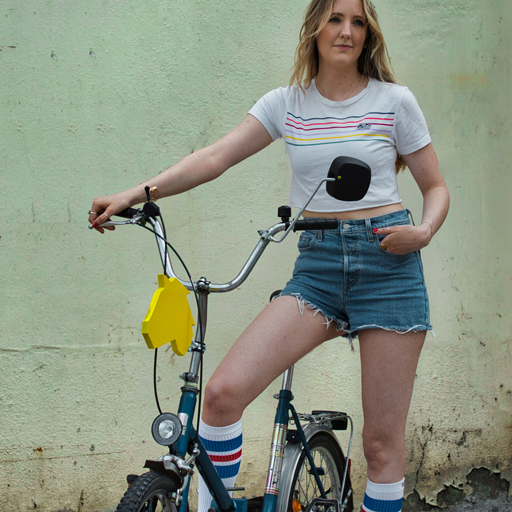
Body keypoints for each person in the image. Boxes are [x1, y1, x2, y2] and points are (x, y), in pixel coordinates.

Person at [88, 0, 449, 510]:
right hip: (318, 266)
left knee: (381, 445)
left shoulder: (394, 101)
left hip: (388, 262)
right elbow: (214, 157)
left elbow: (436, 187)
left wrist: (424, 231)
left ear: (368, 34)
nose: (346, 31)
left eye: (358, 22)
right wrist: (136, 193)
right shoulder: (287, 104)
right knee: (221, 395)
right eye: (335, 19)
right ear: (315, 28)